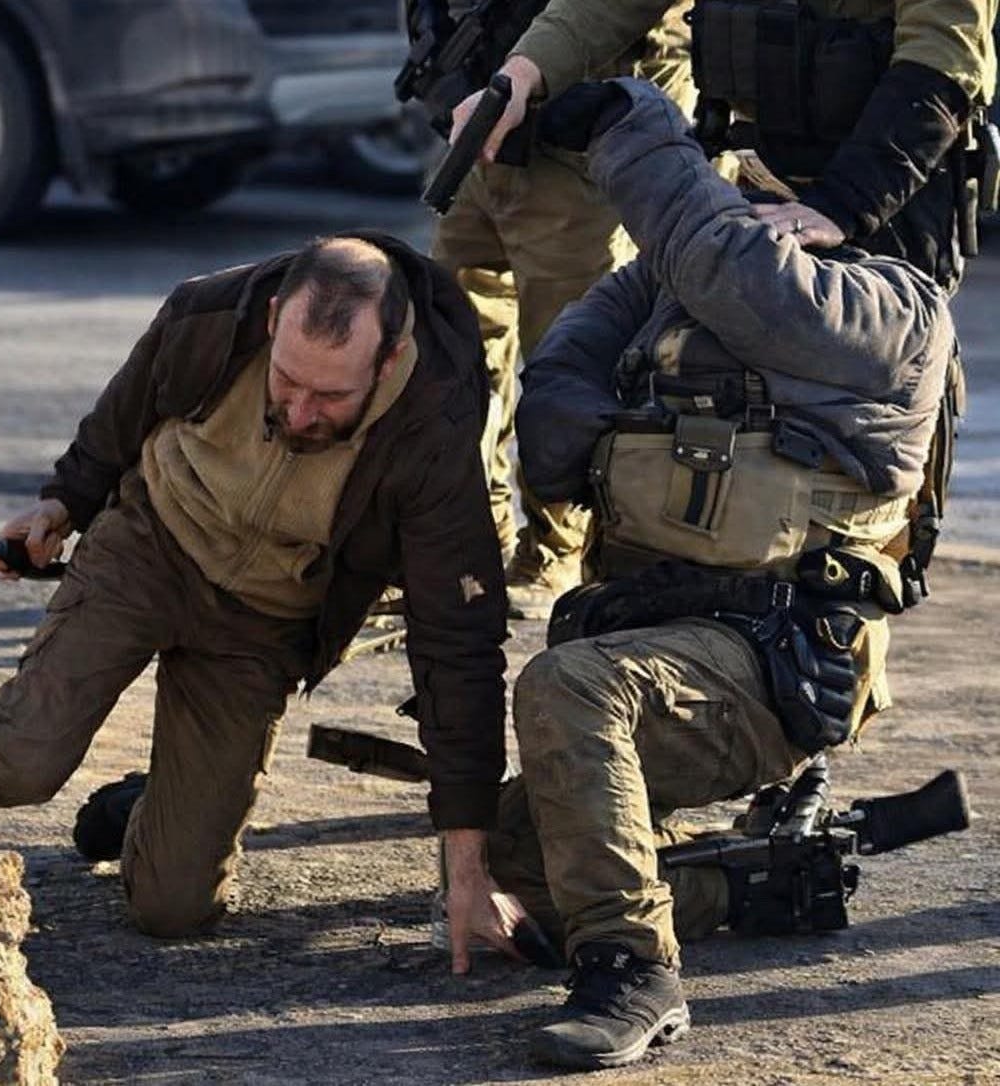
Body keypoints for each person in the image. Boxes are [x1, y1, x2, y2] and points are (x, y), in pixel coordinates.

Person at [484, 79, 955, 1069]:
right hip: (653, 638)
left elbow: (739, 275)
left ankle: (632, 973)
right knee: (522, 871)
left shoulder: (892, 313)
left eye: (755, 189)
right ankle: (758, 882)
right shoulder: (663, 288)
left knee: (569, 688)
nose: (739, 200)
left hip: (778, 660)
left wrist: (633, 125)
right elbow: (552, 420)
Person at [0, 234, 519, 974]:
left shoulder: (437, 426)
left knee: (173, 909)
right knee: (15, 767)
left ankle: (154, 806)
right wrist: (62, 502)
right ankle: (140, 783)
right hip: (150, 547)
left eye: (331, 397)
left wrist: (467, 871)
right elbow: (125, 411)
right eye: (287, 381)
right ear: (272, 321)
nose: (298, 412)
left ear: (390, 358)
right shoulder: (208, 313)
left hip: (263, 621)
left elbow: (458, 644)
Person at [410, 0, 696, 618]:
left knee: (570, 366)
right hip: (487, 140)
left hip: (579, 156)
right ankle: (472, 537)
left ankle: (557, 551)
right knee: (450, 347)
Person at [450, 0, 997, 292]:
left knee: (866, 416)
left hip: (881, 201)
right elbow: (605, 7)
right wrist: (522, 77)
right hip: (758, 187)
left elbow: (944, 63)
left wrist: (842, 205)